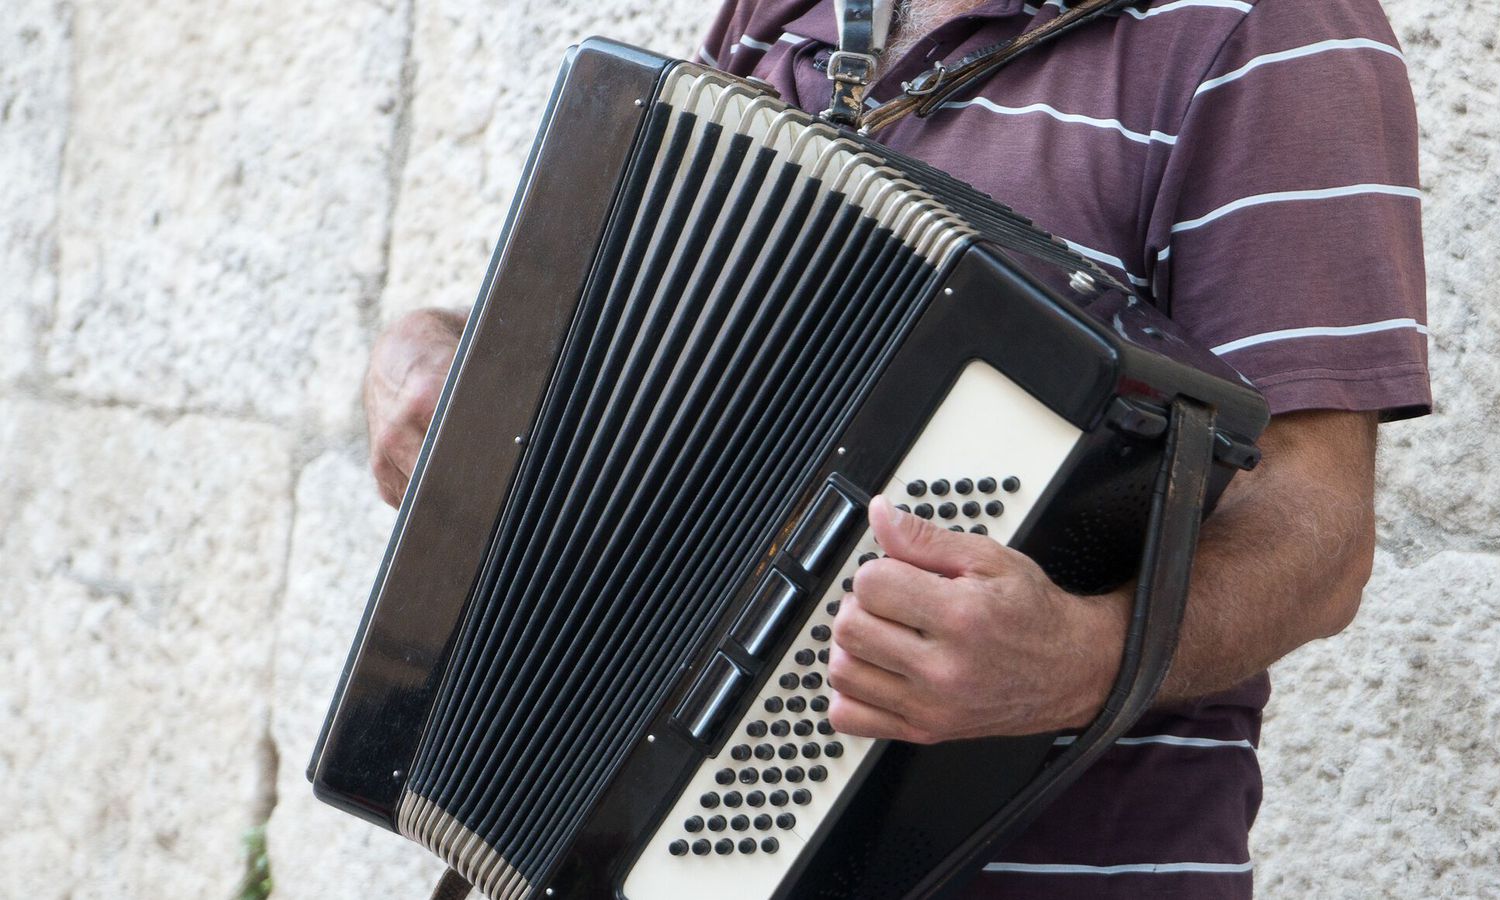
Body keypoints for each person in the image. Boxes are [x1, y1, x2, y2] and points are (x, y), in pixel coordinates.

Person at [364, 0, 1430, 896]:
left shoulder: (1271, 31)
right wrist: (450, 355)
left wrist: (1077, 659)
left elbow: (1316, 534)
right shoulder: (787, 13)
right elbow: (655, 332)